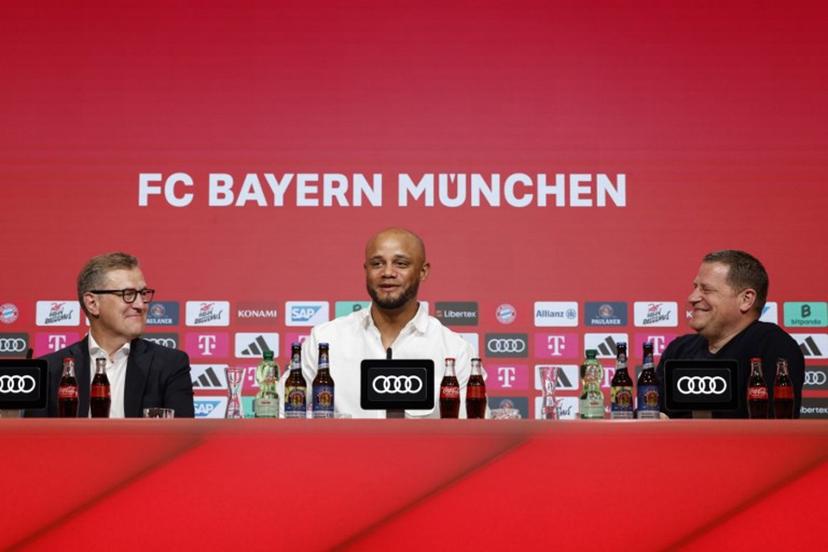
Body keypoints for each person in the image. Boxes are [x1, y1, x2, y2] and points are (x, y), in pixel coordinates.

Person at [293, 228, 477, 418]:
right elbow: (282, 416)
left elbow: (472, 430)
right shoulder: (325, 340)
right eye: (377, 264)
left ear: (423, 272)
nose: (388, 272)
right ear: (366, 270)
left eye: (401, 264)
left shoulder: (455, 350)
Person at [28, 252, 194, 418]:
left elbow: (181, 433)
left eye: (143, 293)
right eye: (128, 294)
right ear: (92, 303)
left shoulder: (170, 365)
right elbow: (34, 433)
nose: (140, 305)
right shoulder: (49, 371)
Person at [656, 250, 804, 418]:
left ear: (746, 299)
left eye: (706, 289)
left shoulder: (773, 346)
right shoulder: (679, 349)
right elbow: (653, 413)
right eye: (695, 287)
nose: (692, 297)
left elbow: (773, 426)